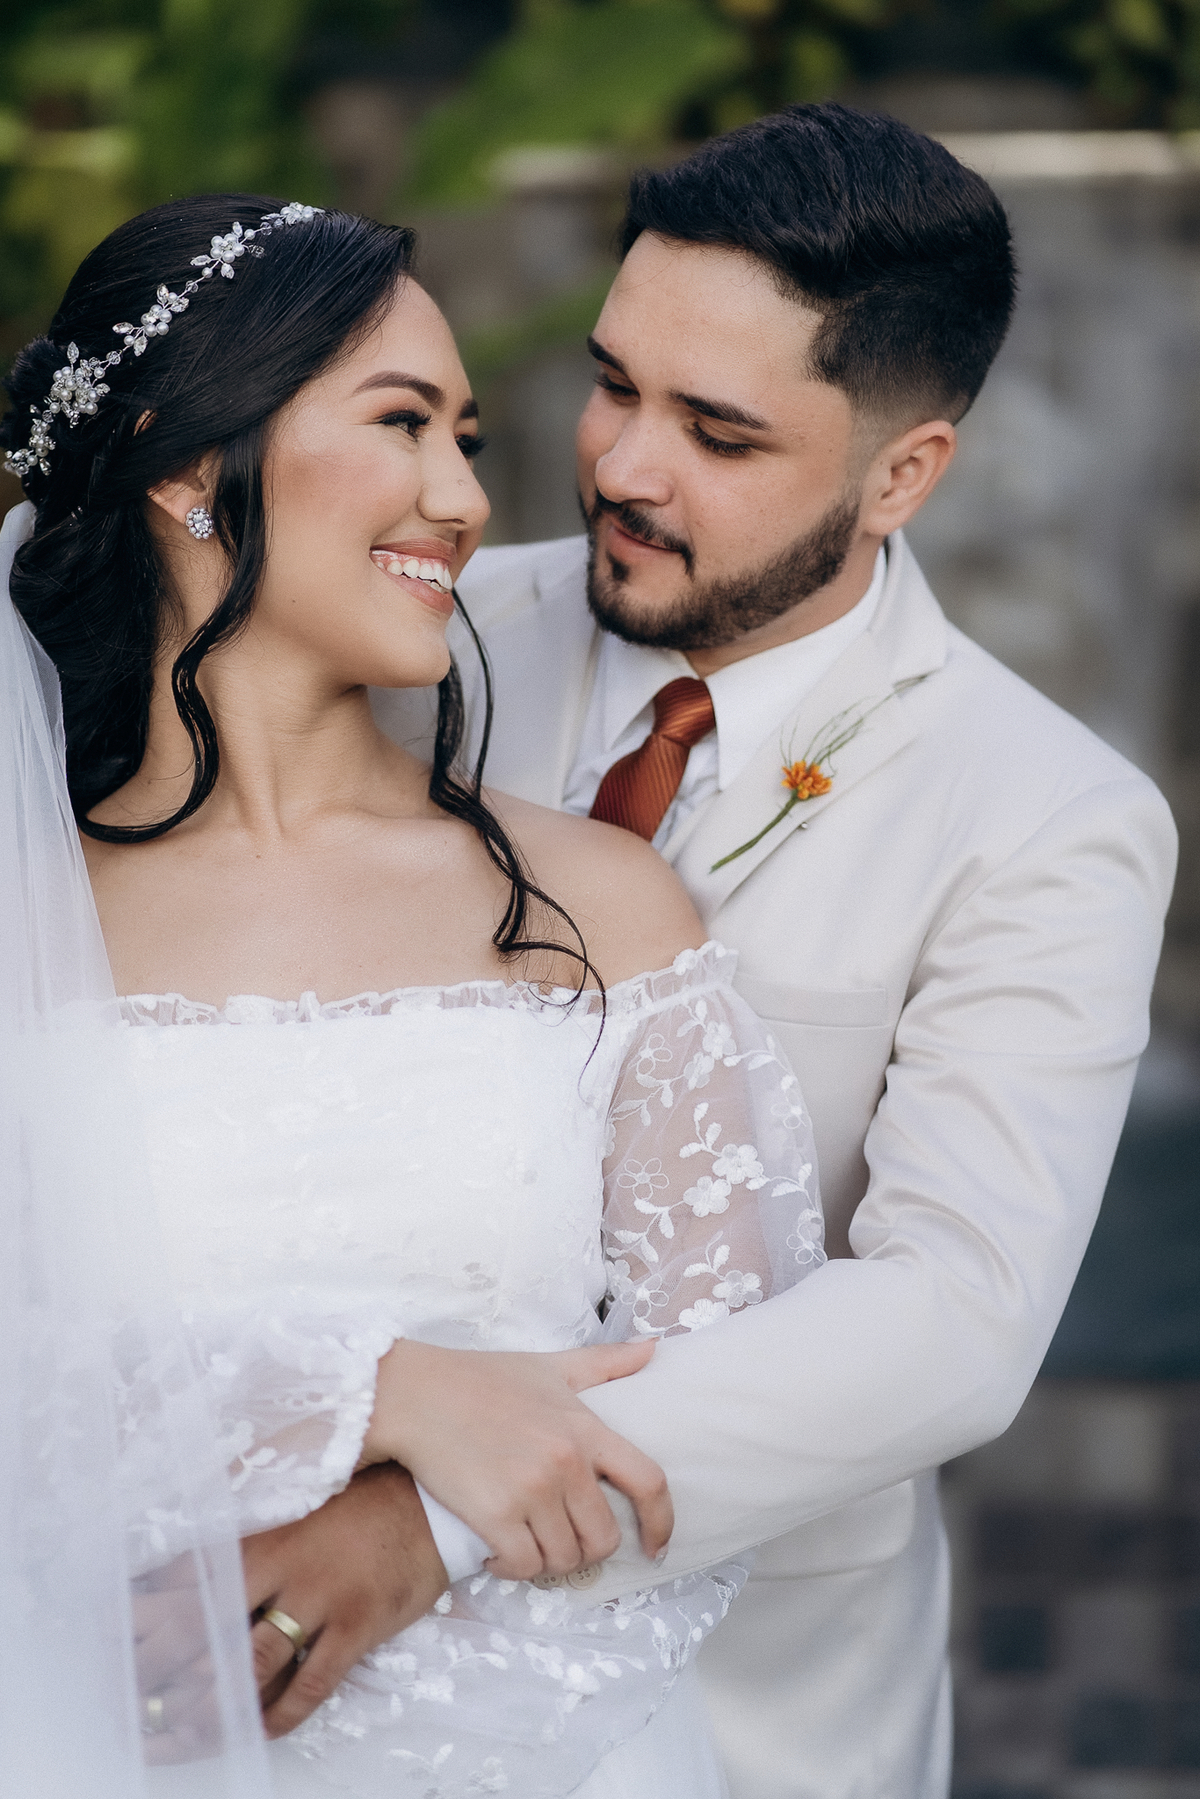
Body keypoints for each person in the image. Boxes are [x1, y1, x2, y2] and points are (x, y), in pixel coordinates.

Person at [365, 104, 1179, 1796]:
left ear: (905, 472)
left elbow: (953, 1316)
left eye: (717, 433)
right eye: (613, 383)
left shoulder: (1047, 819)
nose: (620, 465)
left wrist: (438, 1519)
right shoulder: (403, 649)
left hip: (748, 1710)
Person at [0, 194, 826, 1797]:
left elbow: (733, 1407)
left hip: (563, 1743)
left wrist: (423, 1590)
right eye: (400, 425)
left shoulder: (601, 904)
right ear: (184, 465)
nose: (461, 498)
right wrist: (378, 1383)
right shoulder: (26, 920)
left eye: (466, 436)